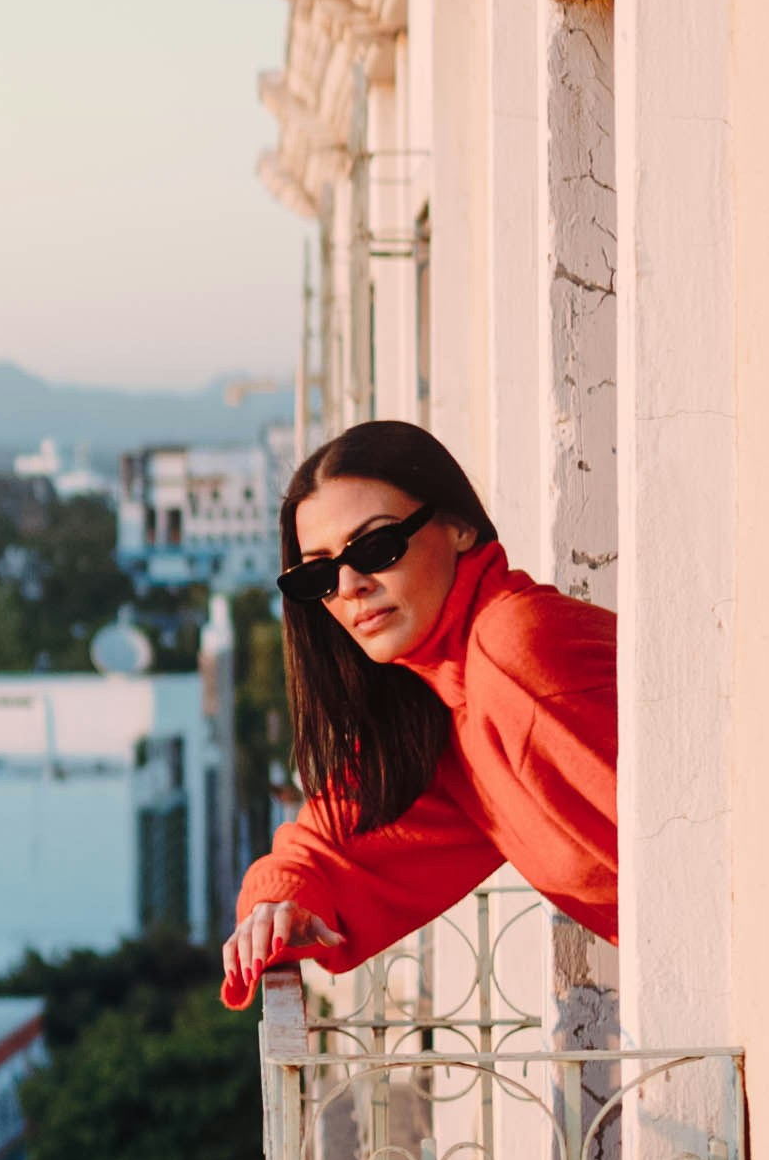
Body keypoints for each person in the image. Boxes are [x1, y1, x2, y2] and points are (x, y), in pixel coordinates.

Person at [220, 421, 620, 1010]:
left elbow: (688, 837)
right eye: (319, 574)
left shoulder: (512, 649)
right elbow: (330, 844)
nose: (351, 586)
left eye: (377, 547)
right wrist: (277, 904)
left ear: (459, 527)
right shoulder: (440, 699)